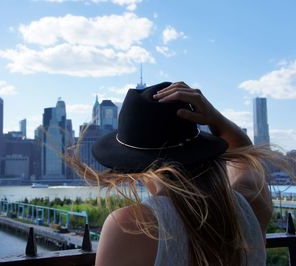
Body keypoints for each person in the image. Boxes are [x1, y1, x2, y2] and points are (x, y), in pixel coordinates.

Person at [68, 81, 287, 265]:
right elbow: (245, 158)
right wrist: (216, 119)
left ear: (133, 167)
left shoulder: (130, 226)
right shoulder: (249, 204)